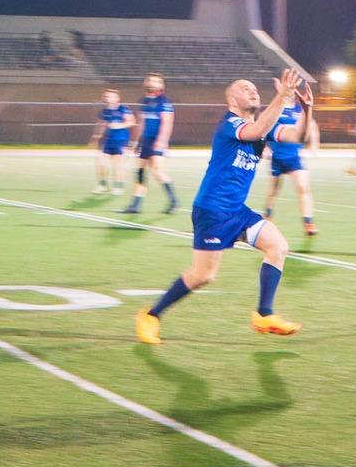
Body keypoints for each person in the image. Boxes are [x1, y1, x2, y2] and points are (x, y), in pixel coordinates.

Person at [136, 71, 310, 343]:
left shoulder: (264, 123)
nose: (252, 91)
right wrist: (282, 96)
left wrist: (306, 109)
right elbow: (257, 131)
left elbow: (299, 135)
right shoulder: (230, 123)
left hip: (237, 210)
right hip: (212, 211)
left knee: (278, 246)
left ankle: (264, 315)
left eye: (254, 88)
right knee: (203, 275)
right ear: (232, 99)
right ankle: (151, 315)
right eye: (245, 88)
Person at [263, 87, 318, 237]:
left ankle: (308, 223)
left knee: (303, 187)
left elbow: (312, 126)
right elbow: (264, 128)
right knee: (273, 190)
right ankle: (267, 216)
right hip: (277, 157)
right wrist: (264, 148)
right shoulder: (275, 109)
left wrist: (314, 145)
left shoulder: (300, 110)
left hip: (294, 157)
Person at [124, 74, 177, 215]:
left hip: (156, 141)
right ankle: (135, 204)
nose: (152, 83)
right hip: (145, 141)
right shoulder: (145, 101)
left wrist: (161, 142)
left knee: (158, 171)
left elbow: (167, 123)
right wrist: (135, 142)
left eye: (156, 81)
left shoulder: (163, 102)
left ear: (161, 85)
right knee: (140, 171)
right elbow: (141, 123)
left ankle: (173, 200)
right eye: (149, 80)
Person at [89, 88, 134, 195]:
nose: (110, 99)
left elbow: (131, 122)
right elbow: (101, 124)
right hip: (106, 140)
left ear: (117, 98)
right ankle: (102, 185)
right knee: (100, 162)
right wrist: (96, 136)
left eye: (112, 96)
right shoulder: (104, 111)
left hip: (120, 139)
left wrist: (119, 125)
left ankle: (118, 186)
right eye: (107, 97)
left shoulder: (124, 109)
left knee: (118, 162)